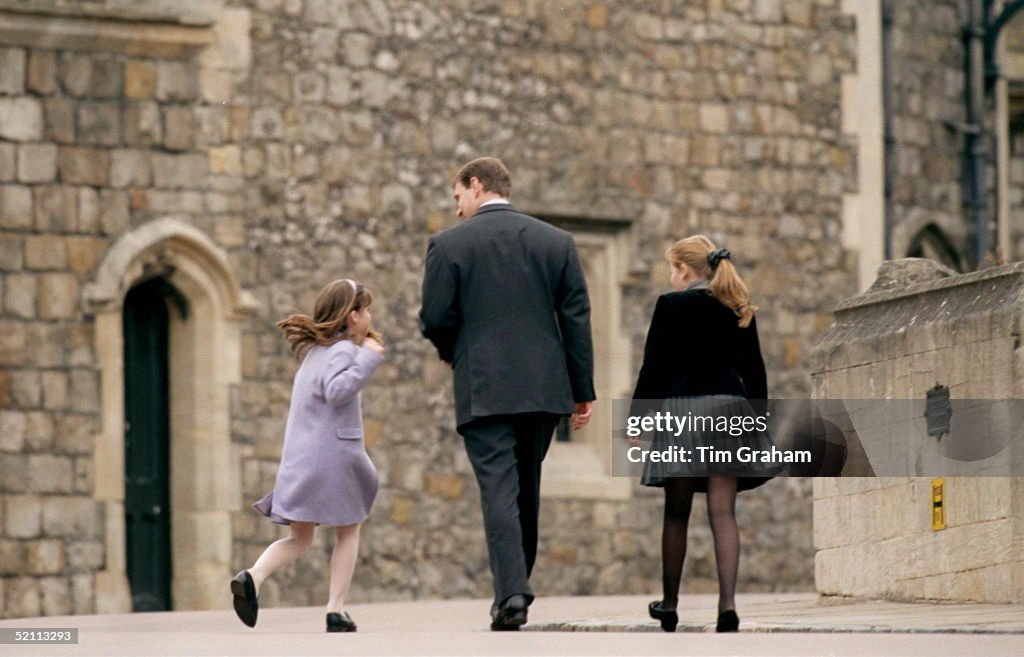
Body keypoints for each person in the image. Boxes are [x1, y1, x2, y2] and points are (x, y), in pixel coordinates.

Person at [419, 157, 595, 630]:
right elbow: (576, 318)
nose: (457, 210)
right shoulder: (556, 242)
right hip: (543, 389)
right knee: (525, 491)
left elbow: (434, 318)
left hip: (484, 388)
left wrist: (458, 352)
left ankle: (512, 594)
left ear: (476, 186)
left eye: (458, 197)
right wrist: (583, 391)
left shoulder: (449, 245)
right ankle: (514, 593)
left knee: (499, 490)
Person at [630, 235, 775, 633]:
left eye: (671, 269)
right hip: (730, 410)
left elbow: (654, 367)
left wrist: (638, 419)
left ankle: (670, 605)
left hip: (682, 412)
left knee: (676, 512)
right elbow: (756, 370)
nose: (670, 277)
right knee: (723, 512)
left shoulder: (670, 305)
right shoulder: (738, 308)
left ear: (683, 270)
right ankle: (727, 606)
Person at [231, 279, 385, 633]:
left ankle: (253, 576)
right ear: (353, 315)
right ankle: (336, 609)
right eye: (367, 310)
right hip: (335, 458)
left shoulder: (314, 354)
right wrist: (367, 359)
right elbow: (336, 392)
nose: (371, 317)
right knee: (349, 530)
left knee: (300, 539)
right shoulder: (345, 350)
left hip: (303, 460)